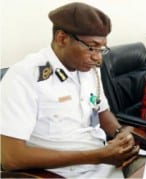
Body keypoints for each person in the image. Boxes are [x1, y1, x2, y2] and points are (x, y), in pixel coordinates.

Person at [0, 2, 139, 178]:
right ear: (62, 38)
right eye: (91, 47)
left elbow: (101, 111)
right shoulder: (25, 77)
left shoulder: (89, 70)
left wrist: (120, 134)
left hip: (104, 161)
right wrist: (98, 156)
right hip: (61, 172)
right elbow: (11, 157)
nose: (97, 58)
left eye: (101, 49)